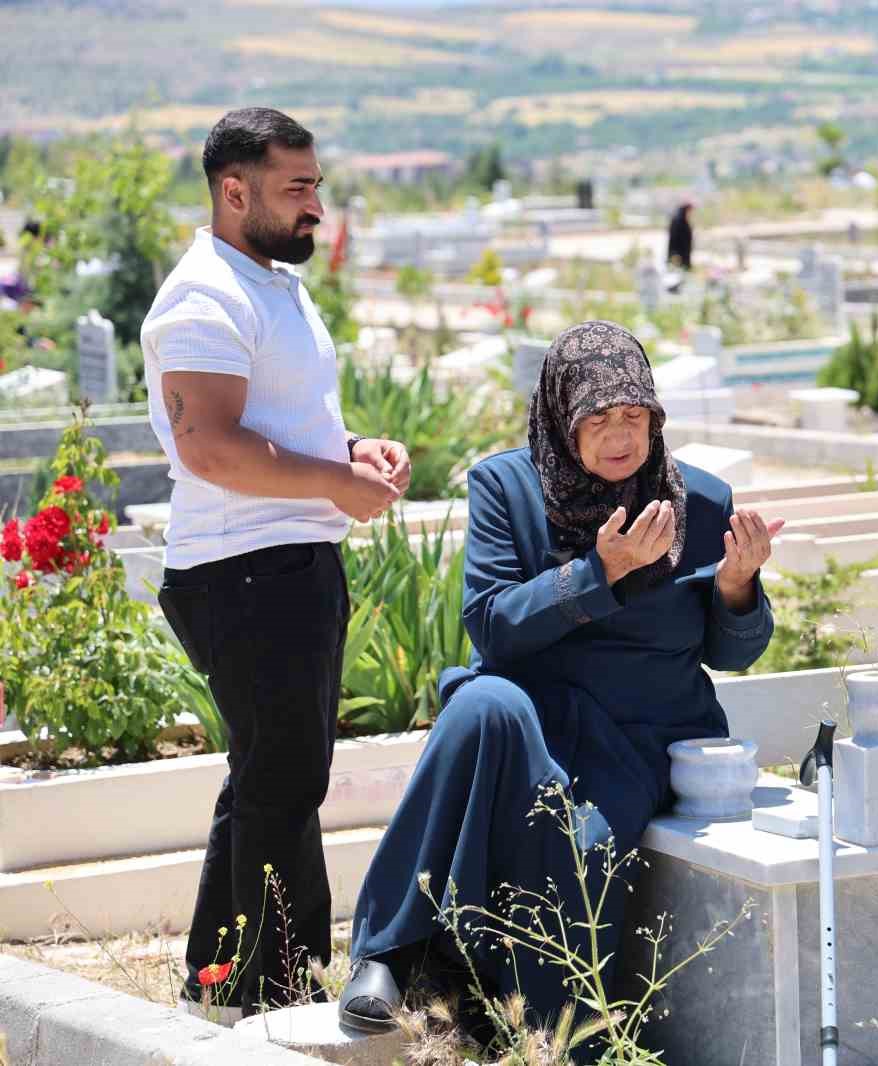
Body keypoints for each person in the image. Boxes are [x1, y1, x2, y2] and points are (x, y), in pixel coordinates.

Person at [338, 320, 780, 1035]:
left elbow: (735, 654)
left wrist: (737, 586)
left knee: (587, 849)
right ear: (560, 418)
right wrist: (597, 575)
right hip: (530, 721)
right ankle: (387, 951)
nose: (619, 437)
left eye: (634, 417)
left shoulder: (700, 501)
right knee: (479, 701)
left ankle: (533, 1021)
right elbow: (491, 625)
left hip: (638, 738)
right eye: (598, 419)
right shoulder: (506, 487)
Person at [141, 107, 412, 1019]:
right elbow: (210, 449)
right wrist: (333, 482)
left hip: (284, 563)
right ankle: (259, 989)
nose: (315, 207)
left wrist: (353, 451)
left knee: (279, 773)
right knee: (281, 776)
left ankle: (242, 980)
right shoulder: (202, 297)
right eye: (296, 188)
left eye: (315, 185)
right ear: (233, 190)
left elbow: (282, 426)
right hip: (241, 570)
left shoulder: (268, 282)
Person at [666, 202, 693, 271]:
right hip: (677, 255)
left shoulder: (684, 221)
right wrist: (675, 254)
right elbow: (674, 240)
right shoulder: (678, 221)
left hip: (683, 254)